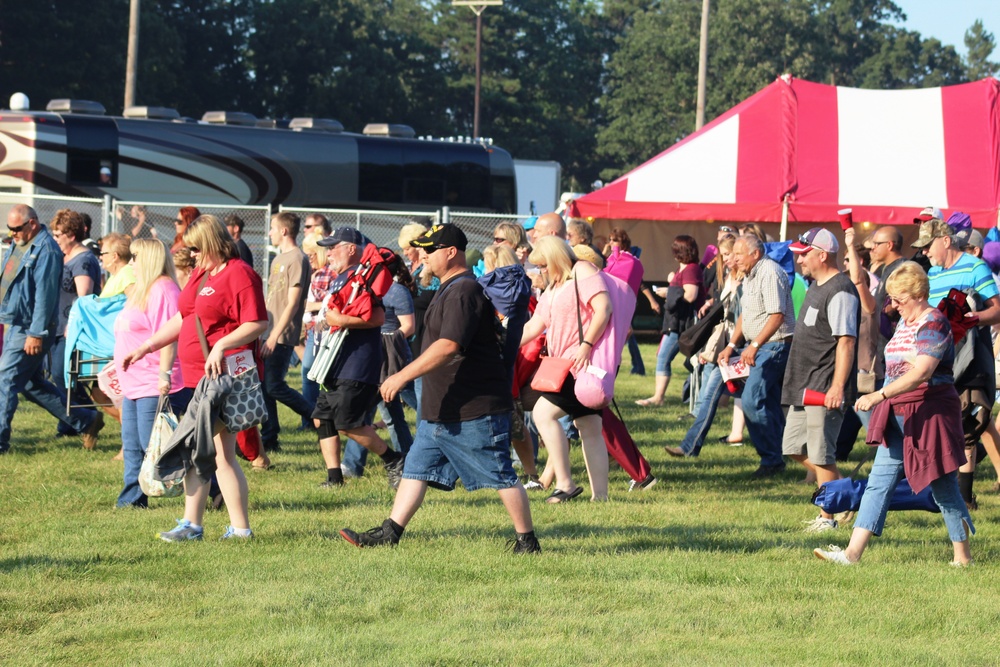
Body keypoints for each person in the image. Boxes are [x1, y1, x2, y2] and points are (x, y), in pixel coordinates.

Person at [339, 224, 539, 553]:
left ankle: (527, 541)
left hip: (473, 407)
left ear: (450, 252)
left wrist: (401, 376)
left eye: (430, 250)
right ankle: (391, 533)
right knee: (415, 470)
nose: (425, 256)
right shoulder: (448, 289)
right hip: (442, 407)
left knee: (500, 473)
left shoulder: (464, 291)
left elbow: (449, 346)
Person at [814, 262, 974, 566]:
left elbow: (923, 371)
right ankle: (851, 555)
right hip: (899, 417)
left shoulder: (933, 323)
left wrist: (879, 395)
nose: (894, 306)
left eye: (899, 299)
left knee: (944, 489)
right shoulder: (905, 323)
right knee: (878, 482)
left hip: (929, 417)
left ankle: (963, 558)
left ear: (917, 295)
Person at [121, 214, 268, 541]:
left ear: (213, 243)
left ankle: (195, 526)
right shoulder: (202, 273)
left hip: (222, 377)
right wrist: (147, 347)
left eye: (197, 249)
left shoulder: (240, 274)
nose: (192, 256)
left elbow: (257, 322)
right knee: (218, 455)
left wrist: (222, 346)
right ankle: (234, 529)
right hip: (197, 377)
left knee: (194, 448)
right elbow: (183, 318)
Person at [0, 205, 105, 453]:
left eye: (17, 229)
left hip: (31, 327)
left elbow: (46, 296)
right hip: (17, 321)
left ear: (33, 223)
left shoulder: (46, 250)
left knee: (5, 380)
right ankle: (86, 420)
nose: (12, 234)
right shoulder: (21, 242)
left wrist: (36, 333)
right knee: (30, 384)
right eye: (10, 229)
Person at [913, 217, 1000, 510]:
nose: (925, 252)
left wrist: (968, 319)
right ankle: (943, 491)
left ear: (946, 240)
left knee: (965, 423)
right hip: (939, 359)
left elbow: (997, 311)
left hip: (969, 357)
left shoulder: (976, 268)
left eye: (927, 246)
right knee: (942, 426)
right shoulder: (933, 274)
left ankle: (963, 496)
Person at [520, 236, 612, 502]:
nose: (541, 271)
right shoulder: (553, 287)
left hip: (580, 362)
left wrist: (585, 345)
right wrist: (505, 342)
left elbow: (603, 308)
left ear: (556, 257)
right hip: (568, 364)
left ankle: (565, 483)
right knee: (589, 426)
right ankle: (601, 497)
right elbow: (534, 326)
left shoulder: (581, 270)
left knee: (543, 413)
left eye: (544, 265)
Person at [311, 227, 405, 488]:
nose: (328, 253)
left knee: (347, 423)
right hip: (332, 361)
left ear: (351, 248)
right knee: (323, 417)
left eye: (333, 247)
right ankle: (334, 478)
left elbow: (376, 318)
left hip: (355, 363)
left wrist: (340, 320)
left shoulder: (362, 277)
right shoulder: (340, 277)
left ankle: (393, 459)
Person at [781, 228, 859, 532]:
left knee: (822, 455)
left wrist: (837, 387)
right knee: (792, 447)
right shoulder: (816, 285)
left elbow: (846, 342)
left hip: (824, 387)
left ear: (822, 255)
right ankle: (846, 493)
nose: (799, 259)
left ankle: (828, 518)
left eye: (804, 252)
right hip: (803, 386)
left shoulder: (840, 290)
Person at [112, 238, 189, 508]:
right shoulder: (142, 290)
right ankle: (132, 500)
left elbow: (170, 335)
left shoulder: (164, 290)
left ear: (149, 259)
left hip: (152, 381)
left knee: (156, 445)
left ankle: (209, 487)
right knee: (133, 446)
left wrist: (164, 374)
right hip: (134, 382)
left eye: (135, 257)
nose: (130, 262)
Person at [716, 234, 795, 479]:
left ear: (755, 254)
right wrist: (732, 345)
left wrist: (755, 345)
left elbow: (777, 315)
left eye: (739, 254)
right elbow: (745, 315)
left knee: (751, 401)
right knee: (769, 403)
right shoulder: (749, 275)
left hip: (773, 346)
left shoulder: (769, 272)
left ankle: (771, 460)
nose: (734, 259)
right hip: (759, 346)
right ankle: (782, 452)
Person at [260, 212, 314, 452]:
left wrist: (274, 335)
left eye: (272, 228)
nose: (269, 233)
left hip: (281, 334)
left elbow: (292, 302)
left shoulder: (297, 259)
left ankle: (318, 416)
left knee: (274, 385)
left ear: (283, 231)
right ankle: (270, 438)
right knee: (265, 387)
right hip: (269, 331)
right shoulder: (277, 259)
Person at [50, 209, 102, 436]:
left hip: (72, 329)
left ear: (71, 235)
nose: (55, 239)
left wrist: (71, 326)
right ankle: (71, 422)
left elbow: (84, 297)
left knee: (62, 374)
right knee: (59, 375)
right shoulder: (64, 256)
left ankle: (87, 416)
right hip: (58, 325)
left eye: (58, 234)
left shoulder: (84, 260)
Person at [637, 235, 703, 407]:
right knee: (663, 356)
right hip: (675, 322)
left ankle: (658, 397)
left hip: (681, 324)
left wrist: (669, 291)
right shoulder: (686, 269)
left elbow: (690, 295)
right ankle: (659, 396)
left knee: (664, 357)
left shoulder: (690, 269)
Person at [299, 232, 337, 428]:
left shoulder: (326, 274)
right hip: (316, 328)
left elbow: (330, 303)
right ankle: (314, 419)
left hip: (322, 329)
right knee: (312, 375)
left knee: (311, 375)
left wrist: (308, 305)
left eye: (311, 254)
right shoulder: (320, 273)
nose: (308, 258)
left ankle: (311, 419)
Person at [98, 233, 135, 298]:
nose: (100, 257)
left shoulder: (127, 273)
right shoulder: (115, 276)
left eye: (102, 253)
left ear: (114, 256)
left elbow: (135, 303)